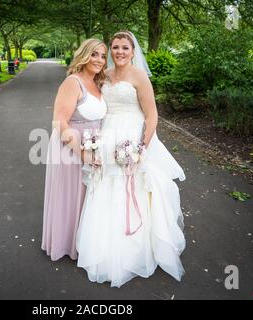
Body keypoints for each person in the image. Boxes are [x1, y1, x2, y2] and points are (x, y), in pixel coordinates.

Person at [76, 31, 186, 287]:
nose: (119, 52)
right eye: (115, 47)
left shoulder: (139, 77)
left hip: (132, 140)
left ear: (133, 51)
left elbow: (151, 116)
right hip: (107, 136)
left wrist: (141, 149)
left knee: (134, 190)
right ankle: (104, 247)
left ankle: (136, 249)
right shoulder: (105, 75)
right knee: (105, 186)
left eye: (125, 47)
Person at [42, 39, 108, 261]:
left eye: (102, 56)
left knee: (89, 197)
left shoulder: (98, 84)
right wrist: (82, 153)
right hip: (71, 149)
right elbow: (60, 122)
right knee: (71, 197)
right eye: (95, 54)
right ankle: (67, 244)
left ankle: (85, 243)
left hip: (94, 146)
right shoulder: (73, 82)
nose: (99, 60)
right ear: (84, 55)